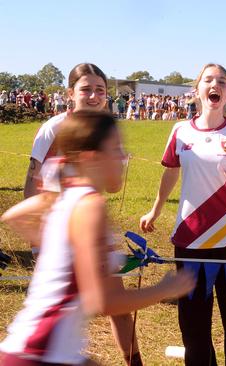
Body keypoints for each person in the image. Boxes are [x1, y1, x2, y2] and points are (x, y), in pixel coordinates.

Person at [0, 111, 195, 365]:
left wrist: (59, 251)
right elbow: (100, 301)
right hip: (38, 354)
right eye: (115, 148)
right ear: (92, 158)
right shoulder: (91, 206)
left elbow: (14, 216)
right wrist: (164, 289)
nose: (123, 157)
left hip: (37, 351)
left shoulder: (69, 198)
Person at [140, 63, 226, 366]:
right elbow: (170, 172)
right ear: (198, 89)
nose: (215, 84)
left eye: (222, 81)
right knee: (193, 328)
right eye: (208, 80)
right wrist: (156, 208)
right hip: (190, 242)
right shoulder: (180, 131)